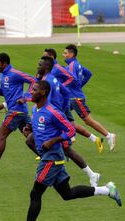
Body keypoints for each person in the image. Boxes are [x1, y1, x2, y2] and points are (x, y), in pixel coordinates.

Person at [22, 81, 121, 221]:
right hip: (50, 158)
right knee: (67, 194)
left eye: (34, 90)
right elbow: (41, 127)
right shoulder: (35, 109)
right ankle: (108, 190)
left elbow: (70, 130)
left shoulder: (53, 112)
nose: (31, 92)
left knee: (35, 194)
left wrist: (54, 140)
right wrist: (29, 128)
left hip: (52, 158)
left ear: (42, 92)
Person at [26, 56, 101, 187]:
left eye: (40, 65)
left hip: (52, 119)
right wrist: (63, 108)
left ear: (46, 67)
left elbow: (46, 101)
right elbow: (66, 93)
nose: (37, 67)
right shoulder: (51, 79)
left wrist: (56, 112)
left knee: (67, 150)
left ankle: (91, 174)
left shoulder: (46, 82)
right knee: (31, 140)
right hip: (53, 116)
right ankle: (51, 165)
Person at [0, 53, 36, 175]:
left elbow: (33, 81)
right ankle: (54, 155)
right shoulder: (3, 74)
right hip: (20, 111)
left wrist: (25, 97)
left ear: (5, 63)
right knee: (30, 136)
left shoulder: (15, 73)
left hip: (16, 110)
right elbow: (9, 93)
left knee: (1, 136)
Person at [42, 48, 104, 153]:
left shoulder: (58, 68)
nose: (42, 59)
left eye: (44, 57)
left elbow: (71, 79)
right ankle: (95, 139)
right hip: (55, 102)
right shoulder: (47, 70)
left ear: (51, 58)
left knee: (52, 123)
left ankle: (56, 148)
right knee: (71, 125)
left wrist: (60, 88)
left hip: (59, 102)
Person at [63, 44, 116, 151]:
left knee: (88, 121)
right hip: (71, 98)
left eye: (65, 53)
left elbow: (72, 79)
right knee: (61, 115)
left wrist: (63, 86)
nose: (63, 55)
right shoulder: (76, 64)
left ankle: (109, 135)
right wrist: (79, 86)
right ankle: (69, 136)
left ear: (71, 54)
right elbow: (88, 74)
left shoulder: (72, 65)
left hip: (76, 99)